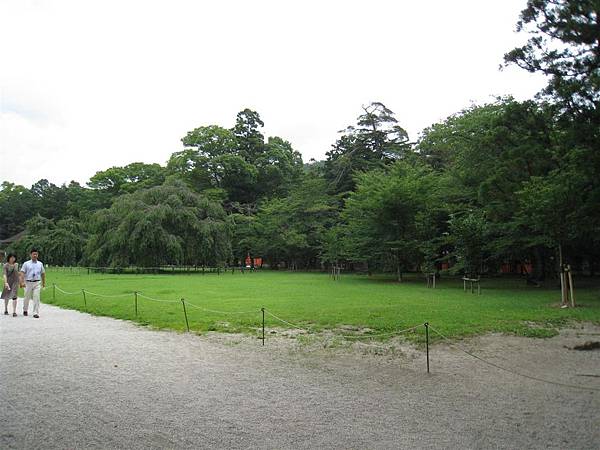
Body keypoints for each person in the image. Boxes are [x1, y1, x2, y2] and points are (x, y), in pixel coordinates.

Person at [19, 248, 46, 318]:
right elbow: (22, 273)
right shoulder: (26, 264)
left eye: (36, 254)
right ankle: (25, 309)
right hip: (28, 283)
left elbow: (43, 274)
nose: (35, 255)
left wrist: (43, 284)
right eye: (34, 254)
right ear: (30, 255)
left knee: (36, 298)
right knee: (26, 297)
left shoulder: (40, 264)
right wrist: (21, 282)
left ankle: (35, 312)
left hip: (37, 283)